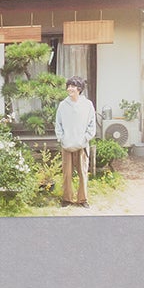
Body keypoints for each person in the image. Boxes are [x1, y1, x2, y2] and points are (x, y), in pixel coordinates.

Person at [54, 75, 96, 207]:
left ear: (79, 88)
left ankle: (82, 199)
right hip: (67, 145)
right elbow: (58, 124)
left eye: (72, 86)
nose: (69, 89)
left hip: (82, 145)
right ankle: (67, 199)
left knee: (83, 173)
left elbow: (92, 125)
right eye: (68, 86)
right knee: (67, 174)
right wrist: (62, 139)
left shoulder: (87, 105)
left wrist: (85, 139)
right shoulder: (63, 105)